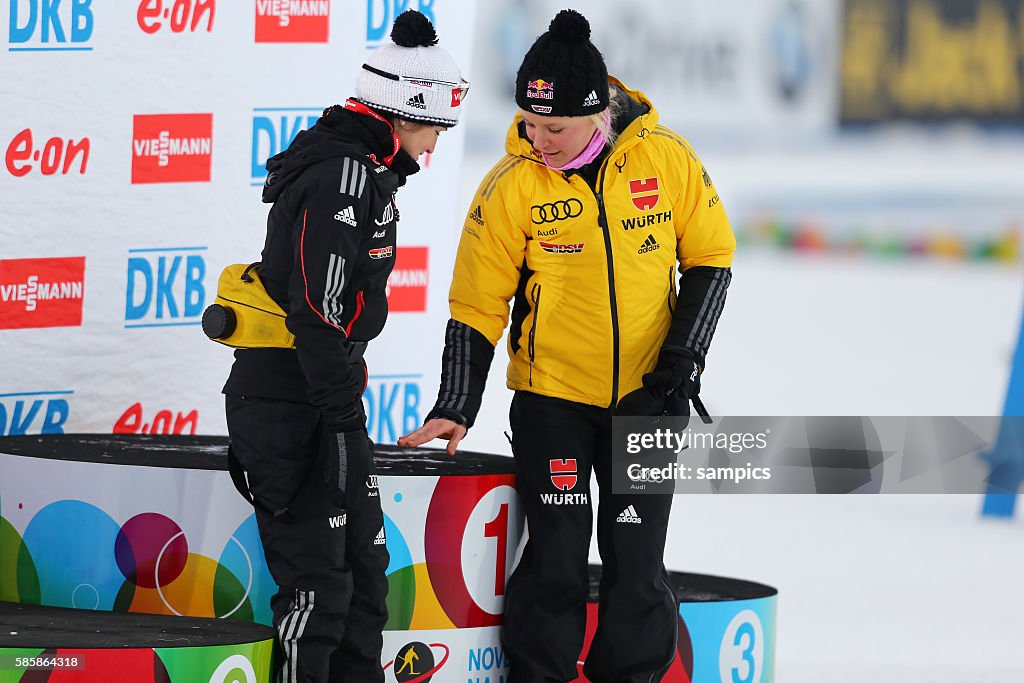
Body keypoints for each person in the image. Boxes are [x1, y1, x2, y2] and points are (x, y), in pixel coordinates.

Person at [398, 9, 734, 683]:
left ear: (597, 112)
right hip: (553, 401)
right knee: (556, 551)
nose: (538, 138)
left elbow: (711, 256)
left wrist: (684, 356)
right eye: (528, 121)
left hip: (650, 396)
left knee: (637, 558)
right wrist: (458, 400)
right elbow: (477, 302)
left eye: (553, 127)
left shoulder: (665, 157)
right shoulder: (512, 183)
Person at [221, 11, 467, 683]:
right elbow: (319, 313)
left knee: (364, 584)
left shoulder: (366, 172)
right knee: (318, 592)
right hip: (291, 401)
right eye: (431, 130)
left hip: (323, 398)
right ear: (399, 114)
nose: (434, 148)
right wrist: (341, 414)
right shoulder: (344, 176)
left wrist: (340, 409)